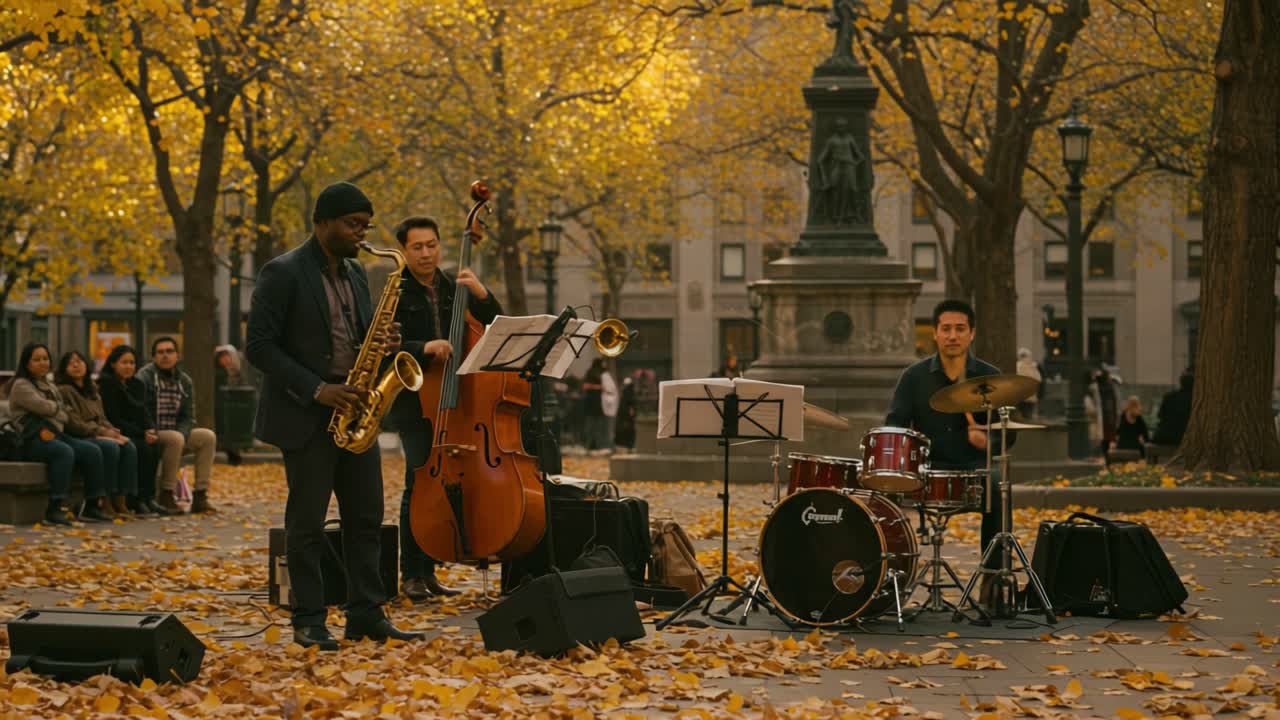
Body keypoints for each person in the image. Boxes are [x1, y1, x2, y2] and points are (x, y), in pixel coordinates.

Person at [246, 180, 422, 650]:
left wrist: (384, 343)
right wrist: (317, 389)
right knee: (305, 524)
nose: (360, 234)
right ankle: (309, 618)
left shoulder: (357, 274)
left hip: (356, 410)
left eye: (364, 225)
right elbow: (259, 347)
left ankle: (366, 613)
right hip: (308, 413)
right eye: (351, 224)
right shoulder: (281, 272)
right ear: (322, 221)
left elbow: (360, 334)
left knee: (365, 518)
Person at [387, 215, 500, 602]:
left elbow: (492, 321)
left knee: (443, 482)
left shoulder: (452, 285)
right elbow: (382, 348)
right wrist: (424, 347)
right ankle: (411, 573)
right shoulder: (395, 292)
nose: (425, 253)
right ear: (404, 251)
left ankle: (430, 572)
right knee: (418, 484)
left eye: (431, 245)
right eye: (417, 247)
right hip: (416, 403)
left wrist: (482, 295)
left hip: (455, 402)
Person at [886, 299, 1014, 604]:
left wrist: (990, 443)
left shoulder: (989, 376)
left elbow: (1007, 434)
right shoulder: (914, 377)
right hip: (926, 469)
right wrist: (909, 445)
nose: (953, 335)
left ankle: (993, 583)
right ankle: (890, 583)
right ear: (935, 334)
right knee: (882, 491)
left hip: (973, 468)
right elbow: (894, 425)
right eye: (946, 329)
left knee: (998, 484)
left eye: (960, 329)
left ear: (972, 334)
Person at [6, 343, 110, 525]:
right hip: (30, 440)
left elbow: (63, 413)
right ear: (27, 363)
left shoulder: (50, 385)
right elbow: (44, 406)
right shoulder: (21, 385)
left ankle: (92, 506)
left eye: (45, 359)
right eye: (36, 359)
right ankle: (55, 508)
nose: (42, 363)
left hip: (54, 434)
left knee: (91, 450)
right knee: (63, 452)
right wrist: (58, 409)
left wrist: (58, 410)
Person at [55, 350, 140, 519]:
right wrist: (102, 432)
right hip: (80, 435)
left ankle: (120, 500)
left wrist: (113, 431)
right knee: (110, 447)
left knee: (128, 445)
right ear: (64, 369)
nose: (76, 365)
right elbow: (73, 422)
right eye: (71, 363)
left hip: (98, 432)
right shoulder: (63, 391)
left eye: (80, 361)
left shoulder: (92, 389)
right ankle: (105, 500)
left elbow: (102, 417)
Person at [137, 337, 217, 514]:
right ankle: (166, 495)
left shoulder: (185, 381)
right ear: (153, 357)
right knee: (175, 438)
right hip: (152, 433)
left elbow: (188, 417)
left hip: (176, 435)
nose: (165, 355)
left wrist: (182, 433)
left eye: (169, 351)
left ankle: (200, 496)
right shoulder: (145, 377)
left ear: (177, 356)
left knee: (207, 436)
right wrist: (151, 430)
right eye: (160, 352)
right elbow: (140, 410)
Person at [98, 345, 164, 517]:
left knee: (155, 446)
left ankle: (148, 498)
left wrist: (150, 429)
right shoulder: (106, 384)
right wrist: (141, 434)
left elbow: (144, 411)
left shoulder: (137, 385)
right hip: (117, 431)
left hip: (137, 431)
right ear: (113, 364)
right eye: (124, 362)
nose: (128, 367)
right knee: (140, 448)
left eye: (132, 363)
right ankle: (134, 500)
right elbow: (114, 418)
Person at [214, 345, 244, 466]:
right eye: (223, 357)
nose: (226, 359)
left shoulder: (236, 372)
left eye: (228, 356)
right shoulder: (218, 373)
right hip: (220, 408)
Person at [1153, 370, 1194, 447]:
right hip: (1184, 437)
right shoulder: (1195, 400)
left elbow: (1160, 415)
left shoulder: (1169, 397)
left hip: (1164, 436)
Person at [1095, 366, 1119, 455]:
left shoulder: (1099, 387)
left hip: (1103, 415)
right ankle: (1106, 456)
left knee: (1104, 438)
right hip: (1108, 416)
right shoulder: (1108, 388)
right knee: (1107, 438)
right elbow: (1110, 404)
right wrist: (1112, 418)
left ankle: (1104, 453)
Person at [1015, 347, 1041, 418]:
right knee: (1027, 415)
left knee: (1024, 414)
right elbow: (1038, 379)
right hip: (1028, 394)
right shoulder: (1032, 366)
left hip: (1022, 395)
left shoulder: (1019, 365)